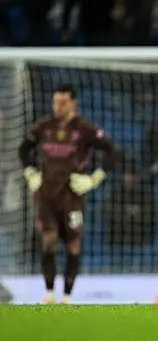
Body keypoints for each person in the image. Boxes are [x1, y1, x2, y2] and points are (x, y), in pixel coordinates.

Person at [18, 84, 117, 304]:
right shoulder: (45, 126)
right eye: (55, 102)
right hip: (46, 196)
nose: (58, 106)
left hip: (72, 197)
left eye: (62, 102)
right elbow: (23, 149)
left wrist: (94, 179)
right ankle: (49, 294)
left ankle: (68, 296)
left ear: (73, 103)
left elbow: (111, 151)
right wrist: (30, 171)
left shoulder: (84, 129)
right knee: (48, 240)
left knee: (72, 244)